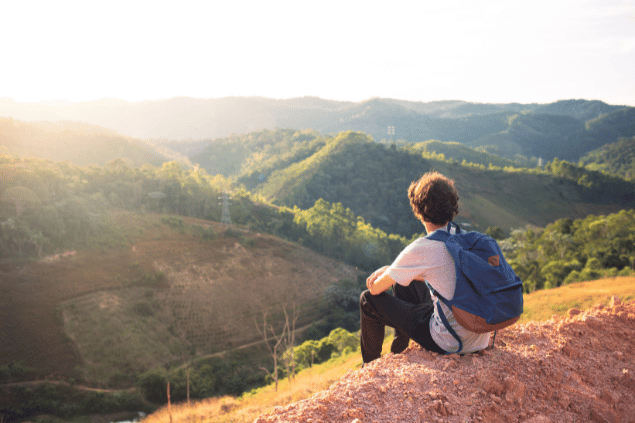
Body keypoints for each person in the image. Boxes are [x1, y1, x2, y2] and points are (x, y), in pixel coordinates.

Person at [359, 171, 490, 363]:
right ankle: (400, 347)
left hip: (449, 341)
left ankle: (368, 366)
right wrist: (394, 271)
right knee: (406, 282)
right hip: (479, 337)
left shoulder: (421, 248)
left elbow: (375, 288)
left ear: (418, 212)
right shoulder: (464, 238)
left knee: (367, 300)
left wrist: (388, 272)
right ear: (452, 206)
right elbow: (447, 275)